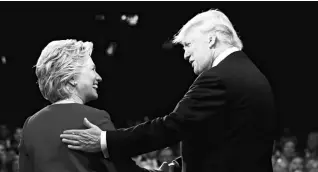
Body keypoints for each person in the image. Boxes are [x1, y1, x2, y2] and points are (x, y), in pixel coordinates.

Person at [60, 9, 277, 172]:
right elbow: (230, 144)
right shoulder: (252, 74)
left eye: (189, 45)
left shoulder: (219, 77)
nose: (185, 54)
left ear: (211, 40)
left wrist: (105, 140)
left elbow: (172, 126)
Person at [19, 39, 170, 172]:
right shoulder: (95, 118)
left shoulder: (30, 124)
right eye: (92, 69)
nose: (99, 77)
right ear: (72, 78)